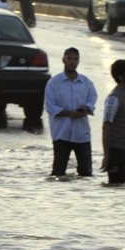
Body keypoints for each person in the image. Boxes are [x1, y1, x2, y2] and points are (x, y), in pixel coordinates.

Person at [44, 47, 96, 178]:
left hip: (82, 133)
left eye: (75, 59)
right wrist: (69, 113)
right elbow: (50, 107)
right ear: (63, 60)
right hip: (62, 133)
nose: (72, 62)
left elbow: (92, 99)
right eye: (69, 58)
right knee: (58, 172)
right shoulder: (54, 83)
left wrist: (86, 108)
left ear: (78, 61)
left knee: (86, 173)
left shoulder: (86, 82)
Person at [101, 59, 125, 185]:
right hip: (116, 151)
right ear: (121, 77)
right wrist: (107, 155)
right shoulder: (114, 98)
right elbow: (106, 127)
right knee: (117, 187)